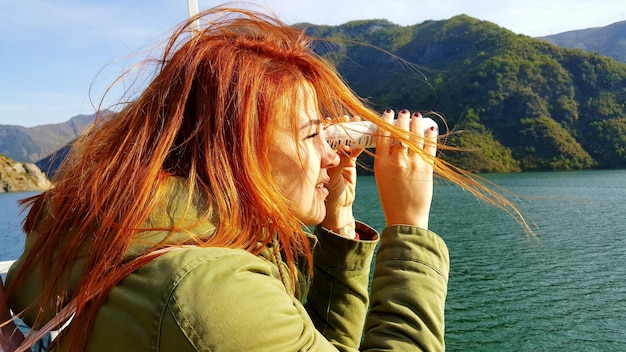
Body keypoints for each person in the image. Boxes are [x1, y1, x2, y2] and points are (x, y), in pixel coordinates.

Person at [3, 6, 521, 351]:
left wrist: (338, 226)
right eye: (315, 134)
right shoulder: (205, 290)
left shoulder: (106, 228)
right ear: (237, 148)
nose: (332, 154)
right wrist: (408, 229)